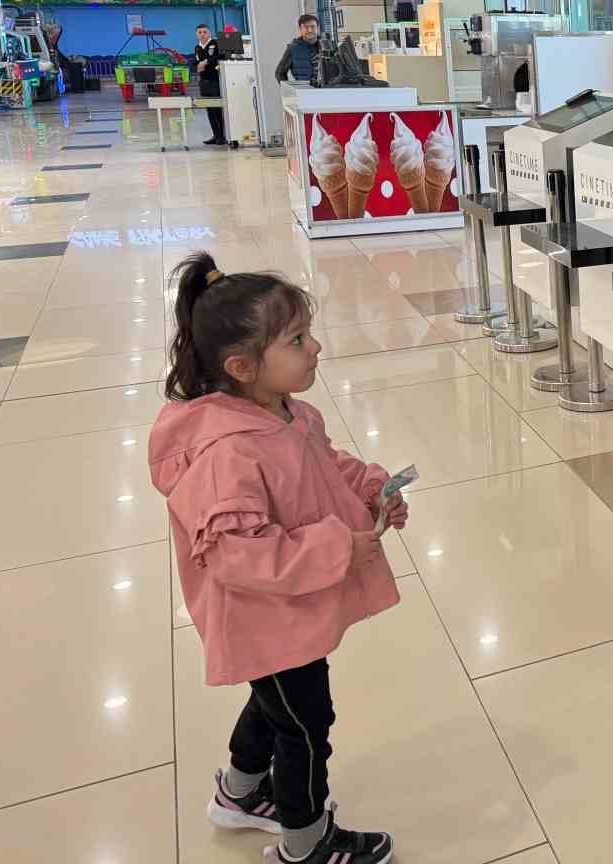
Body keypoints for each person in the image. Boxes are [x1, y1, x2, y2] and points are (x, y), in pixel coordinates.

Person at [148, 252, 405, 864]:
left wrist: (369, 485)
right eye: (296, 339)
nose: (314, 346)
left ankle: (239, 794)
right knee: (306, 722)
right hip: (265, 614)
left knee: (274, 703)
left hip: (286, 613)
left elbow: (320, 463)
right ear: (241, 366)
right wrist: (339, 546)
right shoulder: (228, 452)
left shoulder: (285, 411)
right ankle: (305, 840)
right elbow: (238, 554)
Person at [194, 24, 226, 145]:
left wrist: (206, 62)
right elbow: (196, 61)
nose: (202, 34)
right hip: (204, 82)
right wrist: (197, 66)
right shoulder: (197, 47)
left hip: (214, 81)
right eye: (200, 32)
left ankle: (222, 136)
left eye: (205, 32)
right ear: (196, 34)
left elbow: (218, 56)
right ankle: (215, 135)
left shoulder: (214, 44)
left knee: (217, 108)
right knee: (209, 109)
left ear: (209, 33)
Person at [275, 14, 322, 83]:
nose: (310, 30)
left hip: (327, 91)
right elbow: (279, 73)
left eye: (313, 27)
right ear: (300, 29)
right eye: (306, 27)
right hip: (305, 92)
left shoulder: (328, 46)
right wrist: (290, 90)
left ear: (317, 28)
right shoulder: (292, 49)